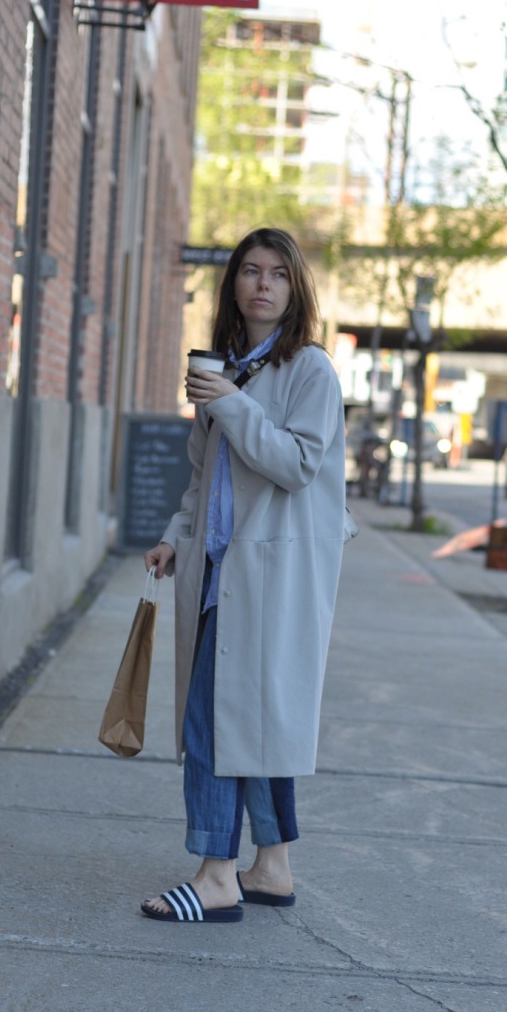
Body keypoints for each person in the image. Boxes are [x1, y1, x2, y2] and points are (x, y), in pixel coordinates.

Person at [141, 227, 352, 924]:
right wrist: (176, 536)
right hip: (217, 568)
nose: (264, 284)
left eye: (278, 274)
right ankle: (271, 867)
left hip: (272, 578)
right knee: (257, 717)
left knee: (213, 721)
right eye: (251, 271)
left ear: (296, 289)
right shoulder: (229, 367)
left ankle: (215, 876)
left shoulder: (310, 370)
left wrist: (229, 401)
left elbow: (297, 464)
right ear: (233, 284)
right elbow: (204, 475)